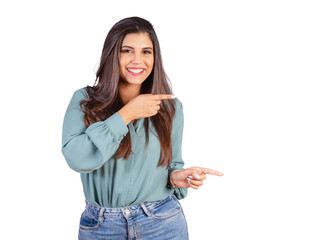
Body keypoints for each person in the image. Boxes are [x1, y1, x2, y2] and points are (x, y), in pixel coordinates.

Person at [61, 16, 224, 240]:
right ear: (112, 54)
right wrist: (127, 114)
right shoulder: (84, 100)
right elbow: (77, 159)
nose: (137, 60)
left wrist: (176, 177)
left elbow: (173, 163)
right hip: (102, 227)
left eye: (146, 52)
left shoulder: (171, 108)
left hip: (162, 222)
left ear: (155, 57)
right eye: (127, 50)